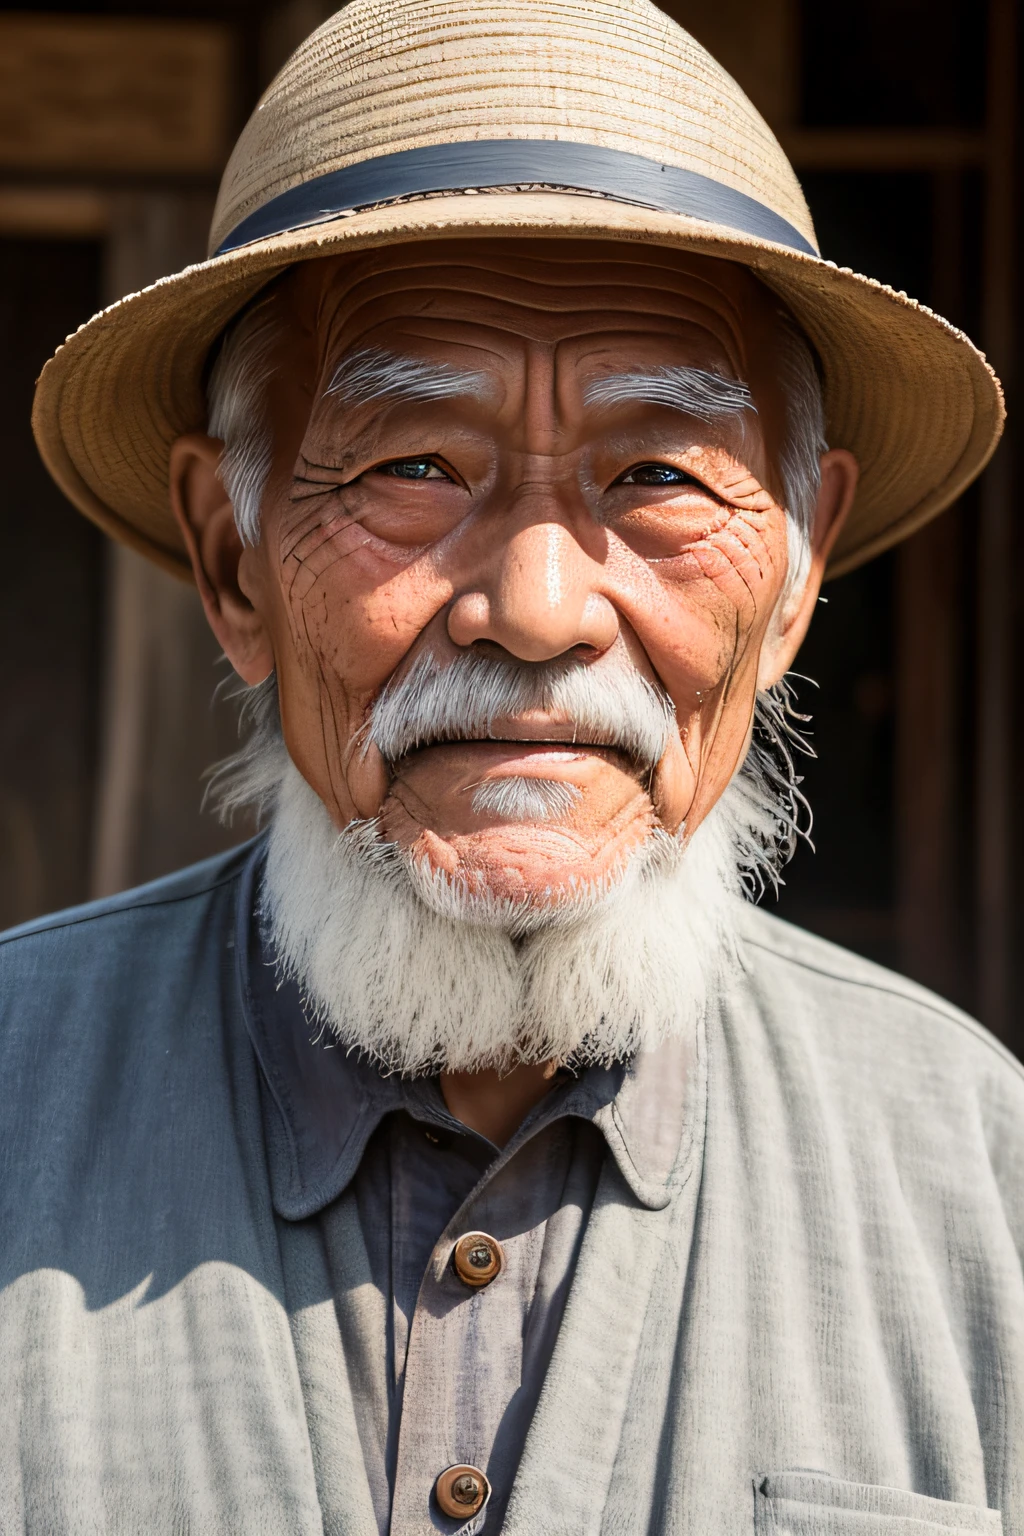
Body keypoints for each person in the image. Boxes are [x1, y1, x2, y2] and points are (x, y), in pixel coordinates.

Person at [5, 0, 1021, 1531]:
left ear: (798, 573)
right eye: (415, 467)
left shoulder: (977, 1176)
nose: (539, 610)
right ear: (232, 561)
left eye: (658, 477)